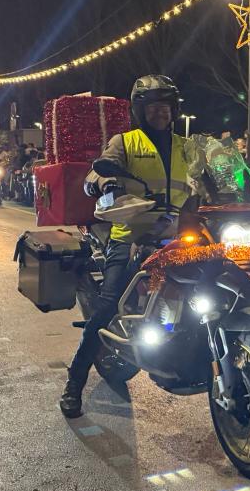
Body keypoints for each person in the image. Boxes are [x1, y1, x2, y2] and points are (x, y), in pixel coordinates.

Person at [60, 75, 192, 418]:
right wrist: (107, 182)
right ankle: (74, 383)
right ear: (141, 111)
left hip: (177, 233)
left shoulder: (187, 146)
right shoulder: (125, 142)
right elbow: (95, 175)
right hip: (131, 233)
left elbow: (211, 177)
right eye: (153, 107)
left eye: (165, 107)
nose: (160, 113)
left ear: (174, 110)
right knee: (108, 304)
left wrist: (246, 187)